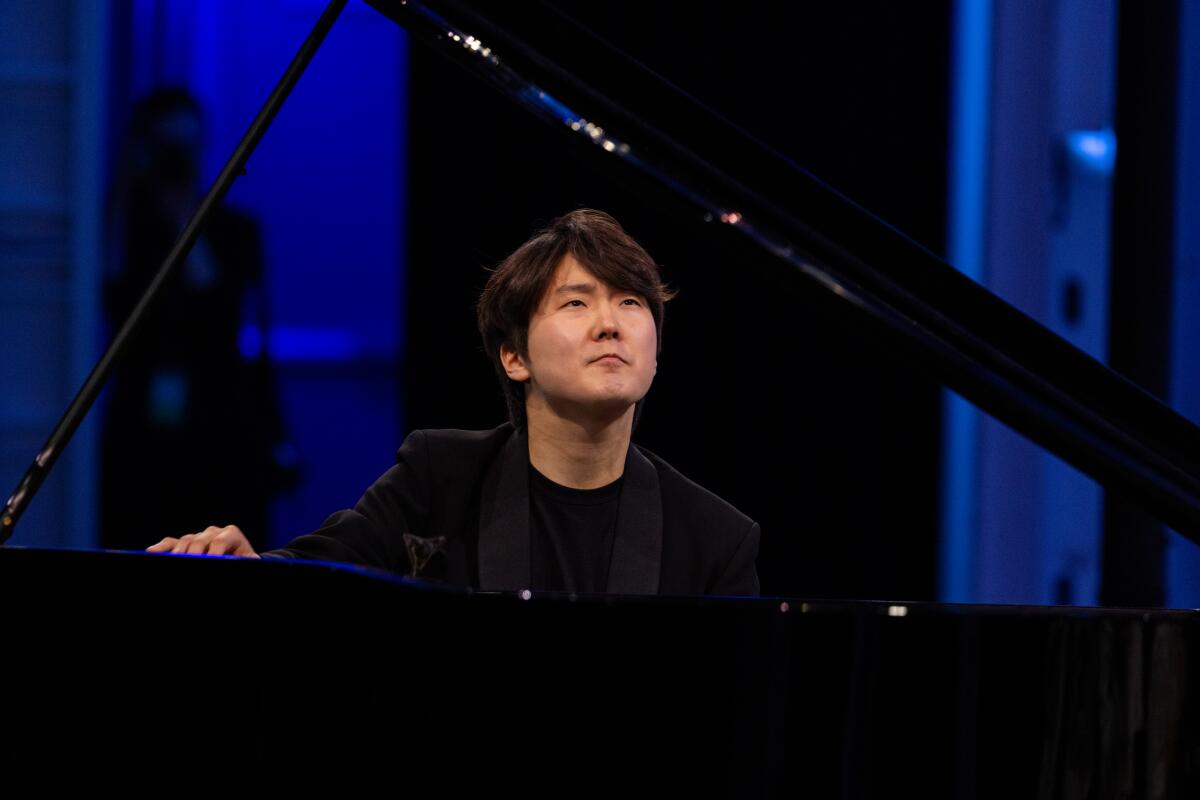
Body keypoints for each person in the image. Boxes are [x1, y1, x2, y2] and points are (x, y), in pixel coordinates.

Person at [147, 209, 760, 595]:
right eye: (576, 302)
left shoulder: (714, 537)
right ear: (512, 357)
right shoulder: (438, 476)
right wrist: (244, 561)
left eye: (631, 303)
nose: (611, 324)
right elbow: (322, 574)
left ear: (656, 350)